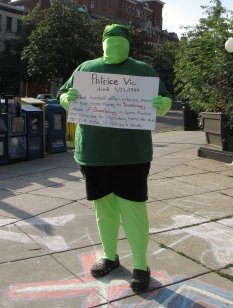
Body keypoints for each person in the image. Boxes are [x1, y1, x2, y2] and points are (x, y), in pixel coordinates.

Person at [57, 24, 172, 291]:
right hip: (94, 155)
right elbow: (63, 92)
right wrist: (66, 98)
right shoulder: (85, 69)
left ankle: (141, 265)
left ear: (128, 45)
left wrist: (163, 104)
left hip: (132, 154)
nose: (116, 49)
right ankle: (109, 255)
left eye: (121, 43)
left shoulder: (143, 70)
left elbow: (165, 97)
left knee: (133, 210)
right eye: (111, 44)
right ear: (103, 44)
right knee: (103, 209)